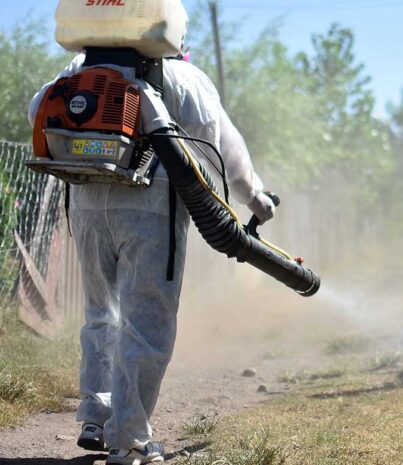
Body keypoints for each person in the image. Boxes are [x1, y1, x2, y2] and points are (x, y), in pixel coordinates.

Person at [27, 6, 274, 465]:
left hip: (85, 201)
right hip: (149, 209)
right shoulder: (182, 78)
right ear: (175, 38)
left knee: (101, 313)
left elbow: (37, 110)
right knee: (146, 321)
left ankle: (95, 416)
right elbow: (221, 149)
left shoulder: (79, 68)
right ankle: (131, 440)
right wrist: (256, 199)